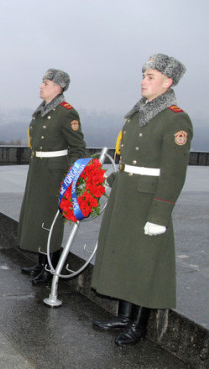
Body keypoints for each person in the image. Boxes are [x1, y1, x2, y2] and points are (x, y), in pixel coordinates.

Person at [91, 54, 192, 346]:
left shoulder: (175, 118)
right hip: (127, 198)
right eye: (144, 75)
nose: (143, 81)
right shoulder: (138, 113)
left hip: (148, 202)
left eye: (150, 77)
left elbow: (174, 174)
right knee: (125, 257)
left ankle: (138, 325)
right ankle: (123, 316)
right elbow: (130, 161)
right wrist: (115, 180)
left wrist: (160, 216)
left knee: (145, 264)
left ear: (167, 82)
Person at [18, 69, 87, 285]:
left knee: (51, 221)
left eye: (45, 83)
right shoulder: (42, 111)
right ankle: (41, 263)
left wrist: (69, 178)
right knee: (39, 218)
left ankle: (51, 267)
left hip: (54, 173)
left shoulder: (66, 113)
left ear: (58, 88)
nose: (41, 86)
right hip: (38, 169)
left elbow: (78, 149)